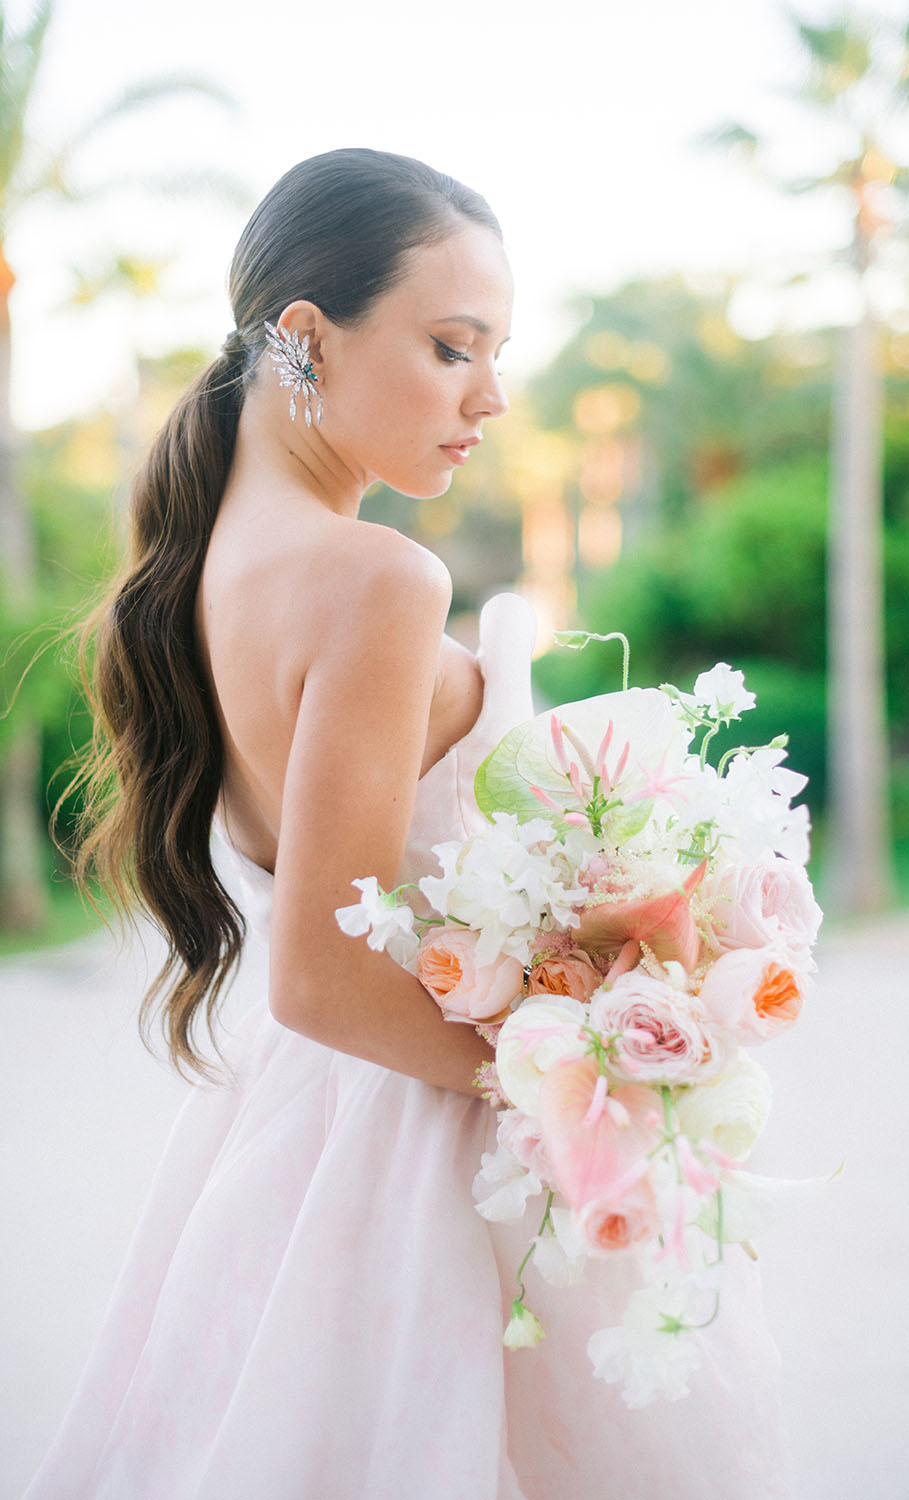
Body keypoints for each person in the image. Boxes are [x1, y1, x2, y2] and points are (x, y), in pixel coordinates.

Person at [25, 149, 790, 1499]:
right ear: (307, 341)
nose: (491, 398)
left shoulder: (202, 575)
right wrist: (586, 1071)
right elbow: (324, 975)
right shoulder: (377, 581)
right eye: (453, 348)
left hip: (292, 1147)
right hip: (420, 1169)